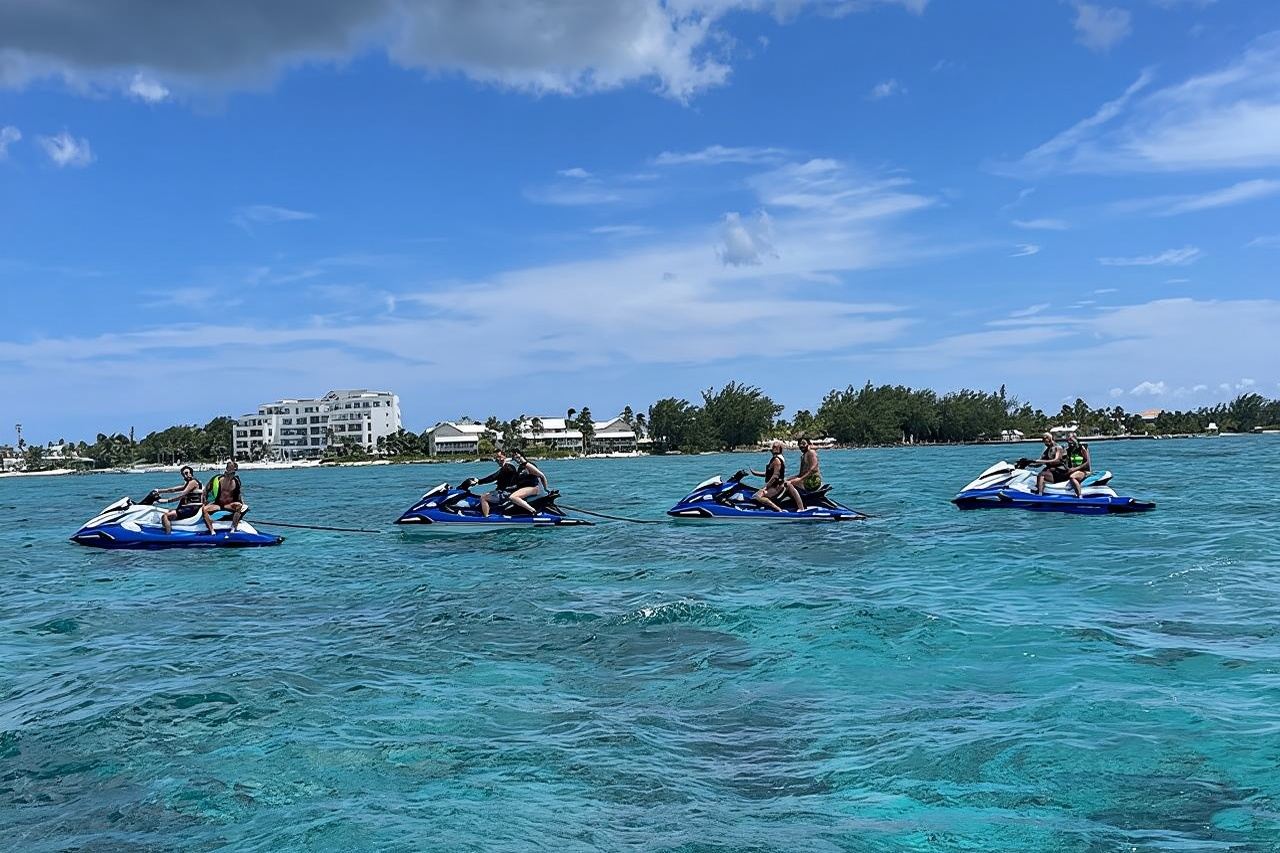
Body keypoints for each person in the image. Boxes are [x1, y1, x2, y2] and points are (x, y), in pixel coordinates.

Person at [472, 449, 546, 517]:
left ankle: (486, 517)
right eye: (496, 457)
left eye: (499, 457)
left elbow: (542, 476)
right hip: (520, 489)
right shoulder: (518, 467)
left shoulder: (511, 467)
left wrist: (479, 481)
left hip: (527, 489)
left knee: (484, 497)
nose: (498, 459)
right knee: (487, 495)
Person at [153, 465, 204, 534]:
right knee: (170, 511)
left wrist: (166, 501)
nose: (185, 476)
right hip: (191, 508)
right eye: (183, 474)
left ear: (191, 473)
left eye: (186, 473)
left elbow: (181, 495)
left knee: (165, 516)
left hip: (191, 509)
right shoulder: (191, 482)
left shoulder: (192, 482)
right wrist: (159, 491)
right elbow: (173, 490)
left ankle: (168, 535)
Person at [202, 460, 248, 534]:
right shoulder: (217, 479)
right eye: (230, 472)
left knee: (239, 506)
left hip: (229, 505)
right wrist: (203, 503)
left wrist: (243, 503)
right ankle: (212, 530)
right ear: (226, 471)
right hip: (218, 504)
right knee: (204, 509)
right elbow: (205, 491)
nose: (231, 475)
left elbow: (239, 494)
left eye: (233, 473)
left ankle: (233, 527)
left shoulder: (236, 481)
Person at [749, 440, 788, 512]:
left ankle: (778, 510)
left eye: (776, 447)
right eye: (773, 447)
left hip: (776, 487)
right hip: (774, 485)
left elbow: (775, 476)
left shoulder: (777, 460)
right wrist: (755, 473)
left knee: (756, 497)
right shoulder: (775, 459)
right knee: (756, 494)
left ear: (779, 449)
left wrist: (766, 487)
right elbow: (769, 474)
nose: (773, 448)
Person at [784, 437, 822, 511]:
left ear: (808, 444)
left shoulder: (811, 453)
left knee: (789, 485)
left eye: (804, 443)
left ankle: (800, 508)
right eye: (800, 444)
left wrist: (799, 479)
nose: (801, 445)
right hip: (806, 479)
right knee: (785, 482)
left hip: (813, 481)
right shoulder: (803, 456)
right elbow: (800, 474)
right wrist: (788, 479)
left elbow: (813, 469)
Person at [1063, 432, 1092, 498]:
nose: (1069, 442)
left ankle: (1079, 495)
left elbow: (1086, 463)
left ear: (1075, 439)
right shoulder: (1069, 450)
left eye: (1071, 439)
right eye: (1068, 440)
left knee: (1072, 477)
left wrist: (1074, 469)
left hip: (1084, 471)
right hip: (1074, 471)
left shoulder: (1082, 448)